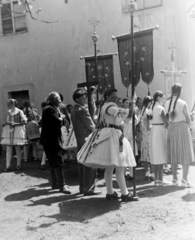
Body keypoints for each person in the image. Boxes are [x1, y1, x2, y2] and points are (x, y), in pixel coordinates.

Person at [77, 88, 137, 201]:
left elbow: (126, 119)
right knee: (119, 166)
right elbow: (128, 115)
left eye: (116, 96)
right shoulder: (111, 107)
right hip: (113, 135)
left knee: (109, 167)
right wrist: (133, 103)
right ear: (107, 96)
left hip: (110, 134)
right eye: (113, 96)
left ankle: (110, 192)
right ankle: (124, 194)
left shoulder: (105, 106)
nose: (115, 98)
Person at [71, 88, 100, 196]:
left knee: (82, 165)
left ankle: (83, 187)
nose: (84, 100)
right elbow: (91, 126)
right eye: (83, 99)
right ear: (77, 99)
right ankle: (89, 188)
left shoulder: (74, 110)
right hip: (87, 140)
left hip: (80, 140)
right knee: (90, 164)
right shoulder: (82, 110)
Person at [40, 92, 71, 194]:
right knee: (58, 161)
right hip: (51, 139)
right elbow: (56, 121)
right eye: (57, 98)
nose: (60, 100)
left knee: (54, 162)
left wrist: (61, 117)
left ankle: (55, 184)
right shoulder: (49, 109)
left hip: (51, 139)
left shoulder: (52, 108)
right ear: (52, 99)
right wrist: (61, 117)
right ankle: (62, 186)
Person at [165, 83, 194, 187]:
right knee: (185, 153)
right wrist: (190, 124)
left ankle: (174, 179)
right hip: (182, 127)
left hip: (172, 127)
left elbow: (167, 116)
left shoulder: (167, 102)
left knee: (174, 152)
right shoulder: (182, 102)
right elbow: (187, 118)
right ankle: (184, 179)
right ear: (179, 91)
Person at [150, 91, 169, 186]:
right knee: (160, 153)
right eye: (163, 97)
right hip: (160, 130)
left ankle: (157, 179)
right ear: (158, 97)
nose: (164, 99)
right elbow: (166, 122)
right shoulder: (160, 108)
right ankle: (160, 179)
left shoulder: (152, 107)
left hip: (153, 129)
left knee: (155, 154)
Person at [3, 99, 27, 171]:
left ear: (13, 104)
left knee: (17, 147)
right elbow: (8, 120)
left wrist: (16, 124)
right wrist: (6, 123)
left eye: (9, 104)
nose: (8, 106)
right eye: (8, 104)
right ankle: (7, 166)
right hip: (10, 131)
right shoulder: (9, 112)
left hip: (17, 130)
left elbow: (24, 121)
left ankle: (18, 164)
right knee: (9, 148)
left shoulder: (20, 111)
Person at [140, 96, 154, 181]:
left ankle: (146, 173)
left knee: (145, 155)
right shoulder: (149, 111)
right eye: (151, 102)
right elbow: (149, 124)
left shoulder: (142, 110)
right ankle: (152, 174)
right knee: (150, 154)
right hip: (148, 133)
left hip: (143, 134)